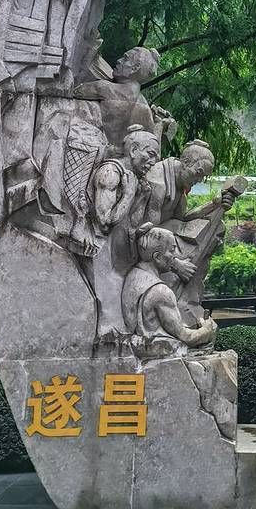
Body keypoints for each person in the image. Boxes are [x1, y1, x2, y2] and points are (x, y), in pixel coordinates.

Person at [86, 124, 161, 345]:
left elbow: (133, 223)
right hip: (100, 249)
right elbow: (104, 219)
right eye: (150, 154)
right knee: (108, 298)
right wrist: (128, 194)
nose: (154, 161)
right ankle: (106, 333)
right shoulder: (110, 172)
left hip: (122, 251)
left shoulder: (136, 178)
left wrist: (141, 198)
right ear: (134, 150)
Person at [122, 224, 217, 357]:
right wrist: (206, 331)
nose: (175, 256)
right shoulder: (160, 292)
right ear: (157, 257)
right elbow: (186, 337)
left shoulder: (132, 275)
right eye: (172, 250)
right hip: (157, 353)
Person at [74, 46, 175, 154]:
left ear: (135, 68)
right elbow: (152, 150)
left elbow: (72, 92)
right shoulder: (145, 109)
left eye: (125, 58)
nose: (119, 60)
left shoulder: (104, 88)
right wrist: (159, 125)